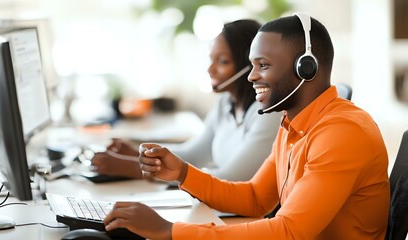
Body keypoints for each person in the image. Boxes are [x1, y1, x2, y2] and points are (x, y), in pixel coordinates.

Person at [103, 13, 390, 239]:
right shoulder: (292, 123)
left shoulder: (341, 132)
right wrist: (183, 173)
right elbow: (255, 198)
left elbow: (290, 231)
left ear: (306, 68)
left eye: (263, 65)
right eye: (252, 65)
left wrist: (170, 231)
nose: (251, 77)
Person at [91, 19, 282, 181]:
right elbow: (193, 154)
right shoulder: (226, 103)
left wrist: (132, 168)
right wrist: (138, 155)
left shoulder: (268, 113)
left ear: (251, 65)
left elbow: (229, 179)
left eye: (222, 61)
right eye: (211, 59)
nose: (210, 70)